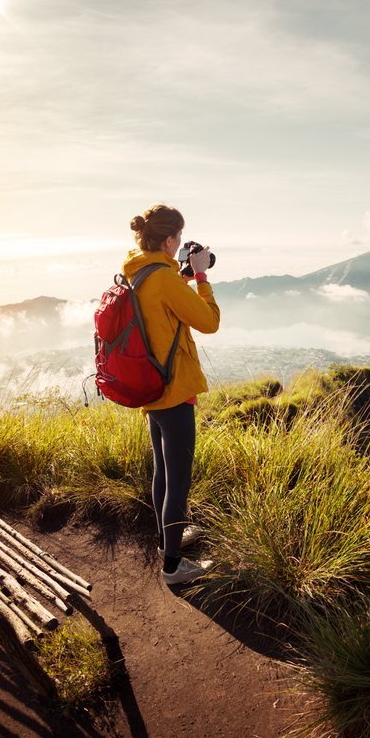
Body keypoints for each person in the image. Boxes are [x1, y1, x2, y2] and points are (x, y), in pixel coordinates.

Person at [125, 204, 221, 585]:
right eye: (179, 238)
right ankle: (173, 567)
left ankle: (167, 540)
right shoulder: (162, 278)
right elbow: (209, 322)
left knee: (163, 472)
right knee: (178, 478)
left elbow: (160, 306)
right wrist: (199, 275)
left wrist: (179, 276)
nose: (181, 243)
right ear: (168, 240)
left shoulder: (142, 271)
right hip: (174, 389)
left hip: (152, 389)